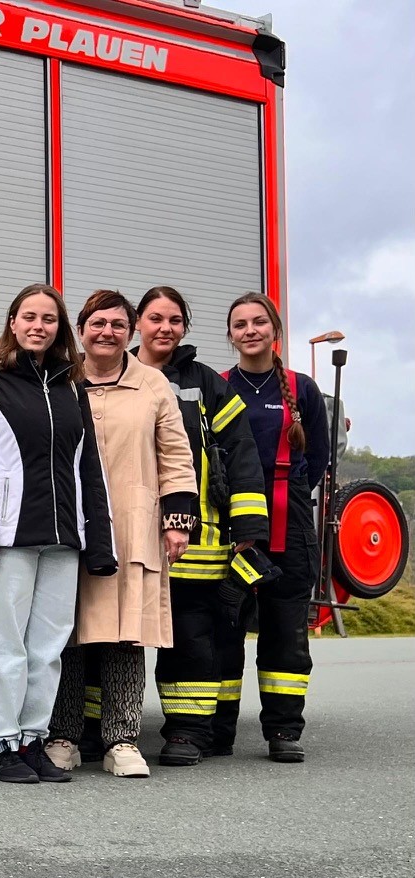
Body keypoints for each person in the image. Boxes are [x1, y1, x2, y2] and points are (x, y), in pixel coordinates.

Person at [0, 283, 116, 784]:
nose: (38, 325)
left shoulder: (72, 387)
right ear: (13, 322)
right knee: (4, 648)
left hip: (63, 540)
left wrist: (99, 542)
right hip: (5, 539)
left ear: (59, 328)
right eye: (29, 316)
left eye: (48, 318)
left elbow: (91, 468)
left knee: (47, 649)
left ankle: (31, 741)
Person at [47, 290, 198, 779]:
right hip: (69, 524)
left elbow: (177, 455)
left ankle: (122, 740)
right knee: (65, 633)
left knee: (126, 635)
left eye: (117, 324)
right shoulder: (60, 381)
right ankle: (64, 737)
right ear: (81, 329)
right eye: (97, 323)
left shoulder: (152, 385)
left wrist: (177, 522)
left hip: (133, 525)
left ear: (130, 331)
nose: (107, 332)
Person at [132, 286, 269, 767]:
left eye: (174, 320)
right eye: (155, 318)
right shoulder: (115, 371)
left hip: (197, 538)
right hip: (128, 531)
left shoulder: (208, 383)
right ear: (138, 324)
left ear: (184, 328)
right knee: (114, 634)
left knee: (190, 635)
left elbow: (242, 454)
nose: (164, 328)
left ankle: (188, 733)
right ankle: (98, 732)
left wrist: (248, 528)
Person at [222, 291, 329, 762]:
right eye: (241, 324)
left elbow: (319, 457)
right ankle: (217, 730)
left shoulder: (302, 389)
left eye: (259, 322)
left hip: (290, 522)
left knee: (286, 628)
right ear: (230, 335)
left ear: (275, 330)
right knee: (224, 625)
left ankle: (283, 730)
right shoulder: (220, 384)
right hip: (232, 525)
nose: (250, 330)